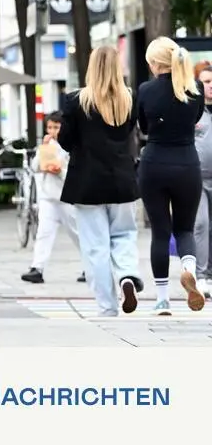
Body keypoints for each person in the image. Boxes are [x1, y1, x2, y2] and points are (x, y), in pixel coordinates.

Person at [58, 45, 144, 317]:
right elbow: (129, 133)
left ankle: (107, 307)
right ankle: (127, 275)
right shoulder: (129, 98)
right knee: (125, 234)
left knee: (95, 246)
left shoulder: (76, 101)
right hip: (122, 178)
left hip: (87, 183)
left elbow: (65, 140)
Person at [136, 37, 205, 314]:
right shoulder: (195, 88)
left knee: (160, 232)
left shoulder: (146, 90)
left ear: (155, 63)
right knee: (185, 229)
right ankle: (189, 270)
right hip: (187, 163)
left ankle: (162, 300)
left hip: (154, 164)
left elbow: (143, 127)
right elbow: (196, 119)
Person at [20, 111, 80, 284]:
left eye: (56, 127)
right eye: (50, 127)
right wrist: (42, 151)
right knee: (43, 233)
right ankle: (37, 268)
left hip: (67, 197)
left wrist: (60, 171)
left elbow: (75, 173)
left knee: (78, 233)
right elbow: (35, 167)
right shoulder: (48, 145)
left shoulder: (72, 146)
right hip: (48, 197)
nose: (52, 131)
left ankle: (90, 266)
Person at [191, 62, 212, 297]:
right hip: (197, 177)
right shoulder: (193, 110)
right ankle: (202, 276)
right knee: (201, 224)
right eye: (206, 81)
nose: (211, 85)